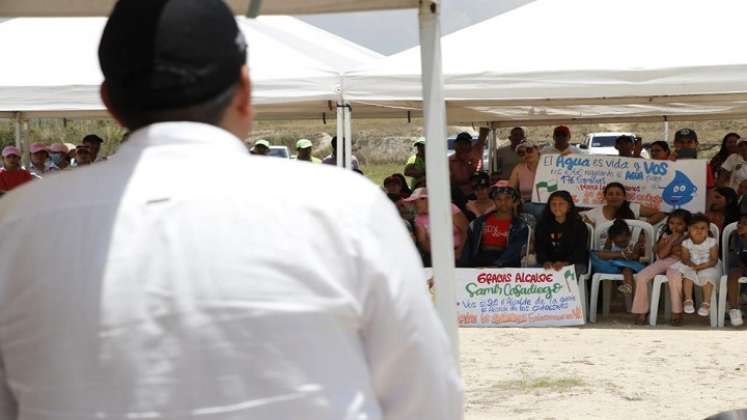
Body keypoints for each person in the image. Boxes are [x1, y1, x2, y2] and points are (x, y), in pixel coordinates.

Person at [0, 1, 462, 418]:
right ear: (244, 90)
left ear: (110, 103)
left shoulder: (17, 223)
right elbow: (426, 399)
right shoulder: (345, 207)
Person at [631, 209, 691, 325]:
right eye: (672, 223)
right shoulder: (665, 236)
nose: (675, 227)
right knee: (641, 277)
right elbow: (662, 254)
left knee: (674, 277)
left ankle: (677, 312)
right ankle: (642, 310)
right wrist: (671, 242)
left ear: (686, 225)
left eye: (680, 224)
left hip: (680, 264)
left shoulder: (688, 237)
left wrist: (673, 245)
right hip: (663, 261)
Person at [459, 185, 529, 268]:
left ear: (515, 201)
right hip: (480, 260)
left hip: (505, 264)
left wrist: (496, 265)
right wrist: (463, 268)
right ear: (494, 201)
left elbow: (514, 250)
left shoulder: (520, 226)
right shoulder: (479, 222)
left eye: (507, 198)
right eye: (499, 199)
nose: (503, 202)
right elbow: (468, 248)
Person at [669, 213, 721, 318]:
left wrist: (701, 266)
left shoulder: (711, 242)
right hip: (692, 264)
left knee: (708, 277)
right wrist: (691, 264)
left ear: (708, 230)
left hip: (709, 265)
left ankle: (706, 303)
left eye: (703, 228)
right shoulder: (686, 243)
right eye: (695, 228)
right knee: (688, 275)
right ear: (689, 229)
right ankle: (688, 300)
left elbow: (714, 260)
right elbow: (685, 258)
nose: (699, 230)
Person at [534, 190, 589, 278]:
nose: (557, 207)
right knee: (534, 272)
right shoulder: (542, 225)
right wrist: (545, 261)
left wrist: (565, 263)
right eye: (553, 204)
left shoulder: (579, 226)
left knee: (568, 273)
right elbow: (539, 247)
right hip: (548, 263)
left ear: (569, 206)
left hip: (573, 263)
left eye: (561, 204)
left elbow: (580, 250)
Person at [407, 187, 468, 265]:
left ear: (426, 199)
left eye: (416, 202)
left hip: (461, 252)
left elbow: (465, 229)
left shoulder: (448, 208)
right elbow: (423, 241)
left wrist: (458, 252)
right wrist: (439, 254)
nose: (414, 205)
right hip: (437, 255)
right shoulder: (418, 218)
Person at [590, 218, 647, 300]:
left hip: (626, 265)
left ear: (629, 236)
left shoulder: (633, 244)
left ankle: (628, 286)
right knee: (597, 254)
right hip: (612, 265)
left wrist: (632, 254)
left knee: (627, 269)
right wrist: (610, 243)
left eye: (623, 241)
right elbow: (605, 251)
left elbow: (635, 257)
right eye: (617, 242)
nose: (621, 244)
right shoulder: (610, 241)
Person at [581, 182, 665, 230]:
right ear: (605, 196)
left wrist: (641, 228)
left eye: (618, 194)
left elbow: (660, 214)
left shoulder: (632, 207)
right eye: (610, 194)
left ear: (624, 197)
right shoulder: (593, 214)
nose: (614, 197)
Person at [449, 128, 488, 197]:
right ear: (455, 145)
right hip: (456, 194)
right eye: (460, 143)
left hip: (474, 193)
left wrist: (467, 163)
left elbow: (483, 134)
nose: (462, 146)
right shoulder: (449, 160)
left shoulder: (476, 152)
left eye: (465, 143)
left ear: (470, 145)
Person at [508, 141, 543, 218]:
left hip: (549, 204)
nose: (526, 154)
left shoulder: (548, 166)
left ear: (537, 149)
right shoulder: (518, 169)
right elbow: (510, 190)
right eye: (521, 153)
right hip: (527, 205)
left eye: (529, 150)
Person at [725, 214, 747, 327]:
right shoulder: (735, 236)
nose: (740, 225)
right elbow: (734, 255)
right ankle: (734, 309)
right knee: (733, 274)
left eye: (744, 223)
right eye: (739, 222)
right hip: (738, 266)